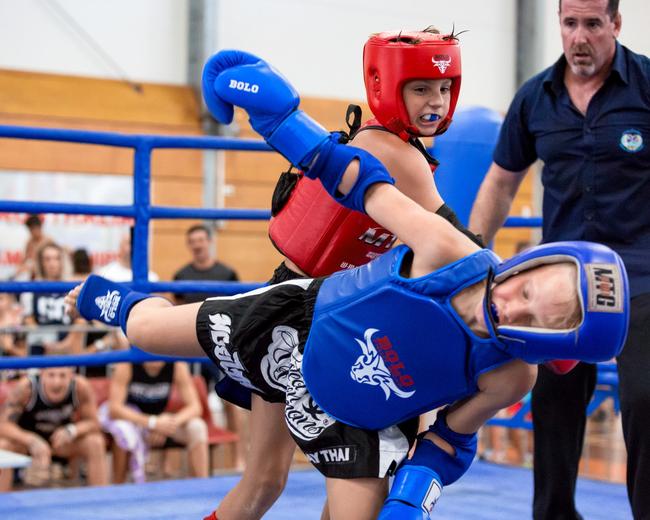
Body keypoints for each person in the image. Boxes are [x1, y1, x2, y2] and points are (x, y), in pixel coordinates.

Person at [67, 49, 629, 519]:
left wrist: (413, 500)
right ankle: (103, 296)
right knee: (150, 332)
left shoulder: (512, 375)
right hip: (297, 321)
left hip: (362, 412)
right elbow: (365, 187)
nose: (514, 299)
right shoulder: (452, 251)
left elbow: (449, 440)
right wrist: (279, 122)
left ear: (550, 345)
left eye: (535, 316)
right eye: (527, 286)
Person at [201, 27, 481, 520]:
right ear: (385, 84)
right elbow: (464, 251)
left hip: (283, 305)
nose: (435, 102)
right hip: (331, 321)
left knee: (264, 480)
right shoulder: (402, 158)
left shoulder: (372, 138)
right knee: (363, 486)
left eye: (443, 88)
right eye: (420, 88)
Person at [467, 1, 650, 517]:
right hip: (562, 285)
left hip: (640, 273)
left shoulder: (646, 86)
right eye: (570, 23)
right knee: (553, 405)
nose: (580, 37)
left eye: (593, 24)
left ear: (615, 24)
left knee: (644, 399)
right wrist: (472, 257)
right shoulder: (535, 98)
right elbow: (501, 183)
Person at [172, 224, 245, 468]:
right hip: (190, 348)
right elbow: (175, 310)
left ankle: (239, 457)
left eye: (201, 240)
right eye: (192, 241)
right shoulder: (181, 276)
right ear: (188, 245)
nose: (197, 245)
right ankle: (169, 465)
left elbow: (238, 307)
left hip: (221, 346)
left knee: (232, 401)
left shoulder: (227, 274)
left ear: (209, 241)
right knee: (187, 401)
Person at [0, 366, 108, 490]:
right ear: (42, 374)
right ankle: (3, 500)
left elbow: (94, 423)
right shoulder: (26, 387)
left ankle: (101, 495)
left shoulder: (80, 386)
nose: (57, 382)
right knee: (3, 445)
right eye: (51, 375)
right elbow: (3, 425)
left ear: (71, 375)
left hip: (60, 442)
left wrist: (72, 430)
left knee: (95, 442)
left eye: (62, 376)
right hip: (26, 443)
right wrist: (31, 440)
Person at [99, 361, 208, 483]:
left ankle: (202, 485)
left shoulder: (177, 365)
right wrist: (151, 422)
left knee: (197, 427)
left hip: (162, 422)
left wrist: (169, 424)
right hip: (133, 422)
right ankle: (118, 489)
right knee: (123, 433)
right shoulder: (127, 365)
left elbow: (195, 407)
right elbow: (114, 409)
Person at [22, 242, 83, 356]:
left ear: (62, 261)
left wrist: (66, 344)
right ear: (41, 263)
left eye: (56, 258)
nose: (52, 263)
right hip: (41, 347)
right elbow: (29, 319)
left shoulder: (73, 287)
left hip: (69, 347)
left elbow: (80, 320)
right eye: (47, 259)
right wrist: (45, 341)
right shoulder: (31, 289)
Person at [13, 214, 53, 281]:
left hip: (45, 274)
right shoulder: (30, 242)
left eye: (32, 229)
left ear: (39, 227)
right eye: (30, 230)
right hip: (33, 275)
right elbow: (24, 259)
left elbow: (50, 262)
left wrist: (31, 266)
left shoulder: (48, 241)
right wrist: (19, 269)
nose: (31, 232)